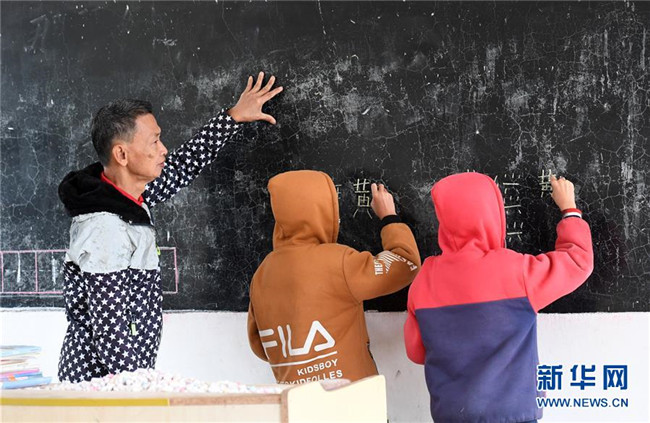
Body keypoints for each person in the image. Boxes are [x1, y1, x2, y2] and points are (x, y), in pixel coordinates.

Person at [57, 72, 283, 382]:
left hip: (124, 381)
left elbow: (181, 167)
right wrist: (144, 389)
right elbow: (110, 330)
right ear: (121, 154)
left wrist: (232, 117)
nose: (163, 149)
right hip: (99, 387)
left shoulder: (127, 197)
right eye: (154, 141)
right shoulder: (105, 228)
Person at [404, 172, 594, 422]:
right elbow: (578, 262)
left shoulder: (424, 280)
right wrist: (570, 210)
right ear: (493, 213)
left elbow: (416, 353)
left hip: (451, 415)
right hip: (513, 415)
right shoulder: (515, 271)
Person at [247, 170, 421, 384]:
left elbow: (259, 346)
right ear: (322, 212)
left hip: (293, 399)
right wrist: (389, 218)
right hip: (350, 396)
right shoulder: (339, 262)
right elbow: (405, 264)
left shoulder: (262, 274)